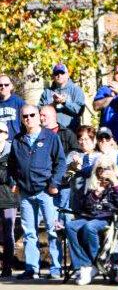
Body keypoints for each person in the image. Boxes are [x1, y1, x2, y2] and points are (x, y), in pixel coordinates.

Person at [10, 104, 66, 279]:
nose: (28, 118)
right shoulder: (18, 140)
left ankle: (56, 268)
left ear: (38, 117)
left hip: (45, 191)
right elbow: (11, 165)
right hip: (26, 193)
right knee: (29, 232)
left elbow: (61, 162)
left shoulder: (50, 137)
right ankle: (31, 268)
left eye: (32, 115)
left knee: (52, 230)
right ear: (21, 119)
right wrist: (14, 182)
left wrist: (54, 183)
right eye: (25, 116)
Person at [65, 154, 118, 285]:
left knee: (90, 227)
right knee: (70, 226)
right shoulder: (93, 181)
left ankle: (98, 263)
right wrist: (95, 195)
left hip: (109, 218)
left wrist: (115, 183)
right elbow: (85, 206)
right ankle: (85, 264)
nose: (103, 171)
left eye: (107, 168)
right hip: (90, 216)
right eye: (99, 168)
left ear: (113, 168)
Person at [40, 64, 86, 131]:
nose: (59, 75)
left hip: (70, 131)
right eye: (56, 73)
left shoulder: (76, 90)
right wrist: (53, 104)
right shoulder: (47, 92)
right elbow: (39, 110)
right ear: (53, 76)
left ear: (67, 75)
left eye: (62, 73)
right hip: (50, 132)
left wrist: (64, 102)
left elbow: (79, 111)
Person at [0, 124, 15, 276]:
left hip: (9, 198)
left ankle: (7, 266)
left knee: (8, 233)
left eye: (1, 131)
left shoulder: (12, 152)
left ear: (6, 134)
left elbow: (11, 176)